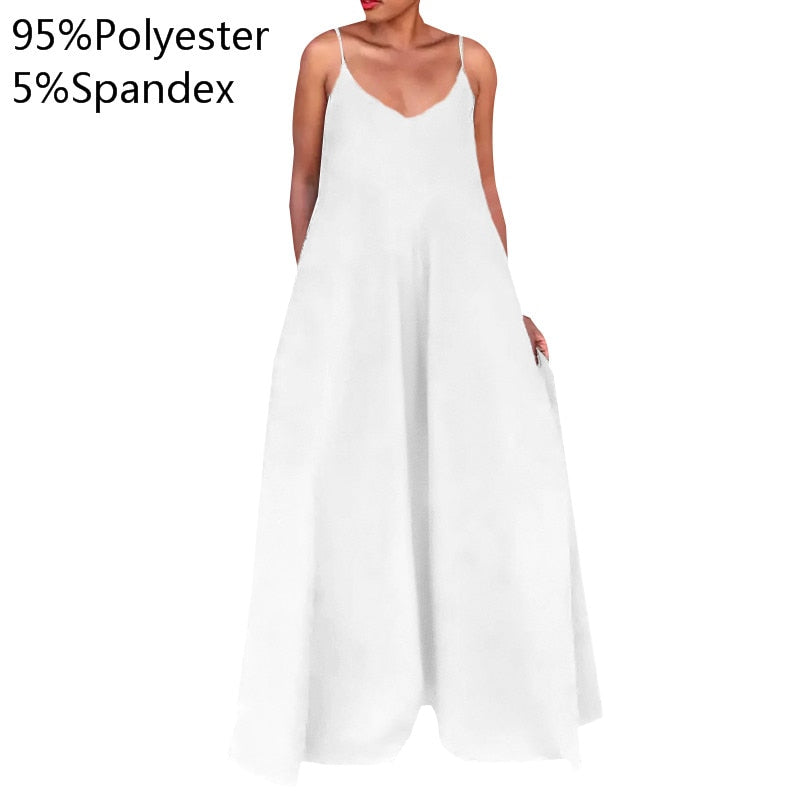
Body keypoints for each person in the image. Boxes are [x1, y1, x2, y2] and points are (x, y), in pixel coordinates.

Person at [230, 3, 601, 786]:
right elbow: (302, 184)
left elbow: (483, 189)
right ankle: (346, 704)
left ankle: (493, 692)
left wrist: (506, 306)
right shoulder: (324, 58)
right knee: (349, 488)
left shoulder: (475, 64)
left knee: (489, 481)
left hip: (460, 304)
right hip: (349, 307)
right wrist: (326, 300)